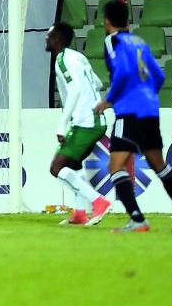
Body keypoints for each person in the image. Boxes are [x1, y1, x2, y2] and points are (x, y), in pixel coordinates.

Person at [93, 0, 172, 232]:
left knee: (115, 167)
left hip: (129, 111)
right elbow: (157, 75)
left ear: (106, 21)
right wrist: (147, 96)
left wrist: (109, 100)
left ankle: (137, 219)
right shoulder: (139, 41)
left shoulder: (112, 40)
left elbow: (123, 71)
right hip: (149, 109)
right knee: (159, 164)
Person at [44, 23, 113, 226]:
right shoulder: (78, 57)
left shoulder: (62, 59)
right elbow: (97, 83)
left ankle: (98, 202)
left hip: (85, 122)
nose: (45, 39)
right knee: (74, 166)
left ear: (57, 39)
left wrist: (62, 125)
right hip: (95, 120)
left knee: (57, 168)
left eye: (48, 35)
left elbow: (74, 91)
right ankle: (80, 213)